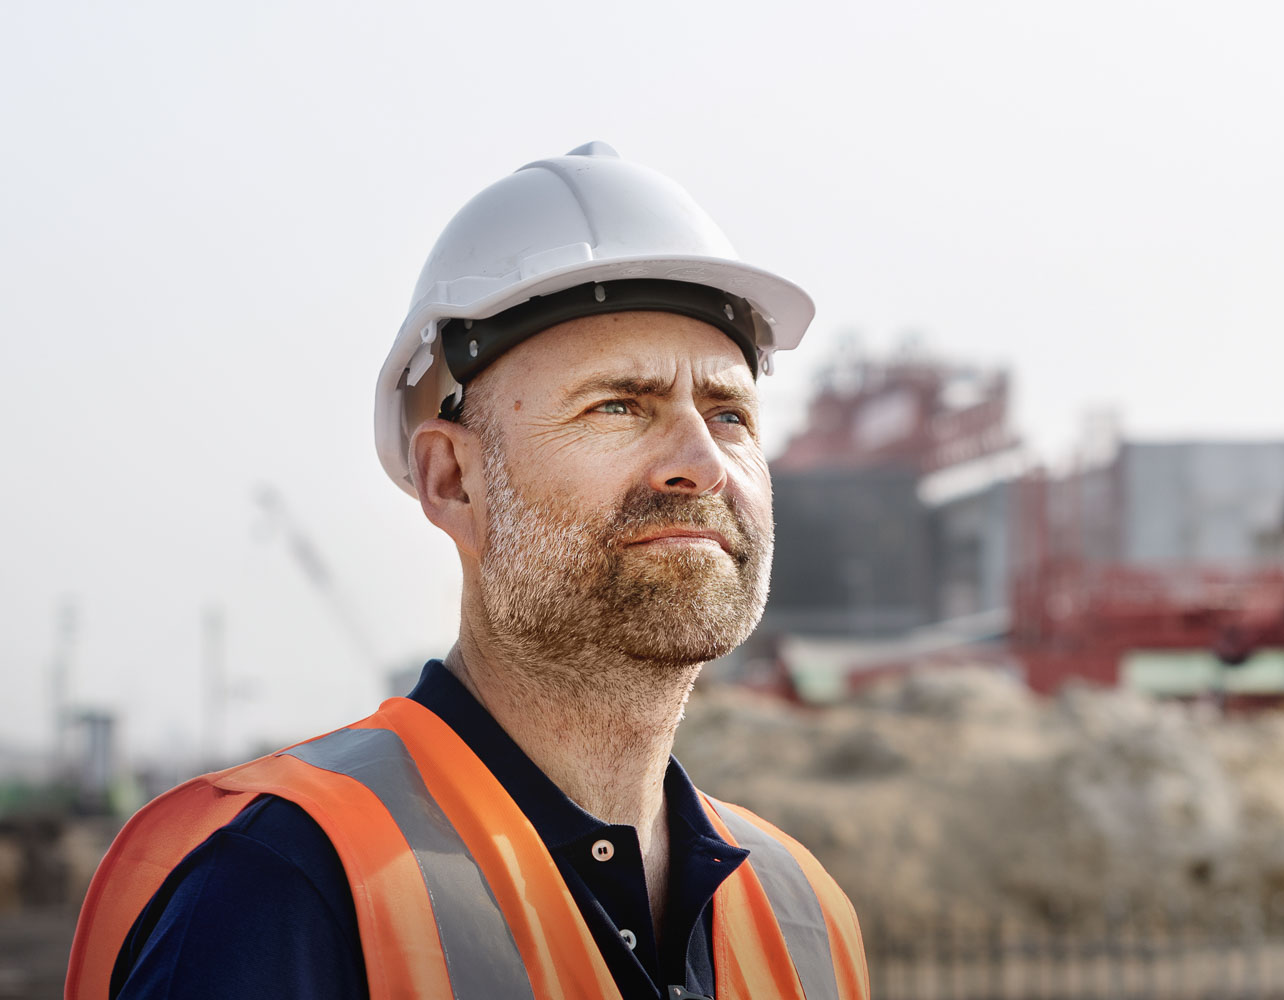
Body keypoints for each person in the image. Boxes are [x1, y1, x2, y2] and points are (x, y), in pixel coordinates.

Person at [67, 143, 870, 1000]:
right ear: (453, 481)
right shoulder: (289, 890)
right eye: (618, 405)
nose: (703, 463)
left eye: (730, 413)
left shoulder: (806, 918)